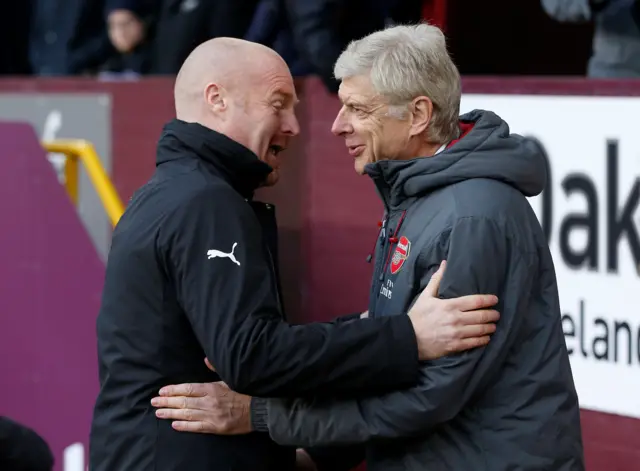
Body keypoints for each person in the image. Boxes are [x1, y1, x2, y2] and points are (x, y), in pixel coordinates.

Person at [152, 24, 586, 471]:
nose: (338, 126)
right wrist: (320, 452)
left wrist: (261, 415)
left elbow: (430, 395)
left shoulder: (473, 216)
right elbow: (391, 354)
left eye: (356, 108)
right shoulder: (417, 195)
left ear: (418, 114)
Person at [89, 36, 500, 471]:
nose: (294, 126)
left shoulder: (176, 193)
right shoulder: (203, 201)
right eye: (278, 104)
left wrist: (368, 333)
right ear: (218, 99)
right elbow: (252, 356)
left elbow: (245, 350)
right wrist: (406, 337)